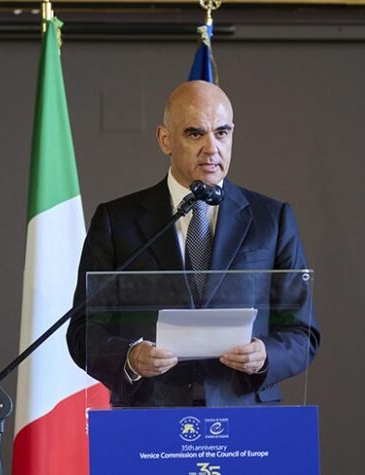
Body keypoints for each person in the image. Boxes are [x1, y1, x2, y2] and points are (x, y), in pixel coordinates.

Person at [66, 80, 320, 407]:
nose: (212, 148)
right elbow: (84, 329)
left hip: (245, 415)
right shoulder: (117, 221)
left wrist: (265, 356)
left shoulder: (272, 219)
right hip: (151, 415)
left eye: (222, 133)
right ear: (165, 140)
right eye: (195, 133)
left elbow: (302, 332)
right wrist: (130, 358)